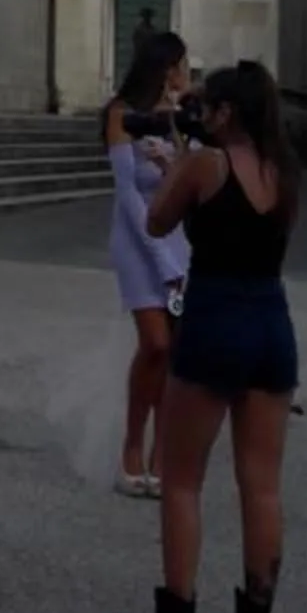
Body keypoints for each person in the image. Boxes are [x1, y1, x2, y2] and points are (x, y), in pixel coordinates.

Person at [123, 60, 298, 613]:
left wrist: (172, 167)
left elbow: (158, 220)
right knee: (262, 484)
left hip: (215, 316)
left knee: (182, 479)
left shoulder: (206, 163)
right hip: (272, 322)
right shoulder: (283, 169)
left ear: (227, 111)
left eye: (211, 104)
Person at [105, 30, 191, 497]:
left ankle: (164, 451)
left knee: (175, 351)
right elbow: (126, 193)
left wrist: (171, 164)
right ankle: (131, 446)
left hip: (176, 235)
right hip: (138, 238)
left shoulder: (174, 118)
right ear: (162, 67)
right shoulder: (121, 114)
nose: (184, 73)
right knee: (155, 343)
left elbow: (185, 180)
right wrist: (160, 258)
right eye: (180, 64)